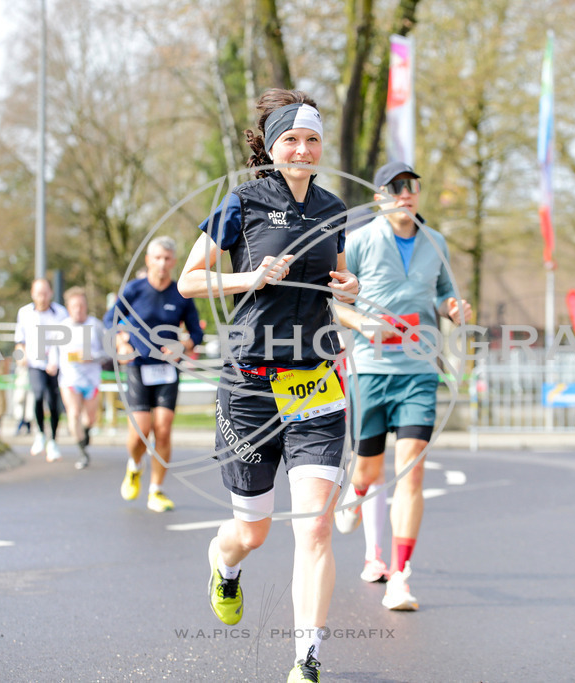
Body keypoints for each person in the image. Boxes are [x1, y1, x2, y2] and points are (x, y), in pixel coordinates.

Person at [177, 88, 359, 683]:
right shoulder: (243, 201)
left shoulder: (334, 208)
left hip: (314, 384)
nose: (303, 149)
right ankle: (222, 563)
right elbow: (188, 281)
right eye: (291, 140)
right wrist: (250, 275)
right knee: (252, 531)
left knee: (314, 526)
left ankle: (306, 658)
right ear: (273, 149)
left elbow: (328, 287)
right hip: (252, 384)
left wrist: (346, 291)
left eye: (311, 139)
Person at [333, 161, 471, 612]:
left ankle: (400, 577)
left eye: (411, 186)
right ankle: (353, 497)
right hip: (371, 369)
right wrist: (361, 321)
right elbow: (334, 301)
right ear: (379, 197)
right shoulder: (359, 242)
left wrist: (451, 308)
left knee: (410, 471)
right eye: (395, 187)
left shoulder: (437, 242)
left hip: (418, 370)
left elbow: (443, 294)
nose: (406, 193)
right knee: (368, 473)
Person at [106, 236, 204, 511]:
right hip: (137, 366)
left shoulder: (181, 294)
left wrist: (183, 345)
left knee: (162, 431)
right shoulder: (134, 289)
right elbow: (109, 319)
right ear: (149, 260)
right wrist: (120, 341)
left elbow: (196, 332)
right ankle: (135, 466)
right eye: (157, 258)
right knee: (140, 432)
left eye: (167, 259)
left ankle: (156, 490)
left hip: (166, 369)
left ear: (174, 262)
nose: (162, 263)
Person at [14, 278, 68, 462]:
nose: (42, 297)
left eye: (45, 293)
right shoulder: (24, 313)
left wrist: (57, 361)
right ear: (32, 294)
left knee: (53, 402)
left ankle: (53, 439)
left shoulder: (61, 313)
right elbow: (19, 340)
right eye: (38, 293)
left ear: (51, 293)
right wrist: (21, 354)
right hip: (34, 362)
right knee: (37, 396)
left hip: (55, 364)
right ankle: (40, 434)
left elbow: (65, 340)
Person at [56, 286, 107, 470]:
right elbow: (53, 352)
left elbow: (107, 353)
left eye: (81, 305)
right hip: (70, 379)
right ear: (69, 307)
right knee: (74, 413)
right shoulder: (62, 328)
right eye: (74, 306)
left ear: (86, 306)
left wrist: (91, 357)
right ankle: (82, 452)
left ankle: (85, 433)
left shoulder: (96, 326)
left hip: (92, 379)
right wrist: (52, 364)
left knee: (89, 418)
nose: (78, 309)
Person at [11, 361, 34, 435]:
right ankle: (20, 425)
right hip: (22, 381)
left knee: (29, 404)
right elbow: (21, 362)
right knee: (20, 403)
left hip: (30, 379)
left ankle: (28, 426)